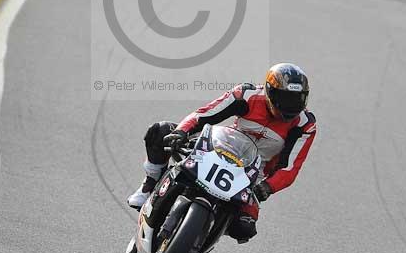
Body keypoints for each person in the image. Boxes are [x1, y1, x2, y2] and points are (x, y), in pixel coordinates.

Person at [127, 63, 317, 242]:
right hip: (217, 149)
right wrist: (181, 132)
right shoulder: (247, 94)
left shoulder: (304, 124)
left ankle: (204, 230)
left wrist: (267, 187)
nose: (290, 106)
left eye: (296, 99)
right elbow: (205, 114)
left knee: (243, 229)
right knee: (160, 132)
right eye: (284, 98)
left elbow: (291, 168)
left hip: (252, 176)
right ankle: (151, 183)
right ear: (269, 90)